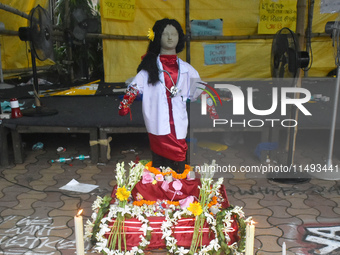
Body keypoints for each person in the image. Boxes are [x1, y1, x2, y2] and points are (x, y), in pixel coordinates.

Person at [119, 18, 218, 173]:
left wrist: (212, 108)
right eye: (165, 34)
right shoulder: (149, 67)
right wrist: (126, 104)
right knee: (158, 160)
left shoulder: (186, 69)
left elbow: (199, 89)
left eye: (174, 34)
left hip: (177, 121)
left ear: (180, 38)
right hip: (157, 120)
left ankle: (178, 187)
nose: (170, 38)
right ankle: (159, 189)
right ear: (158, 37)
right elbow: (135, 87)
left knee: (179, 155)